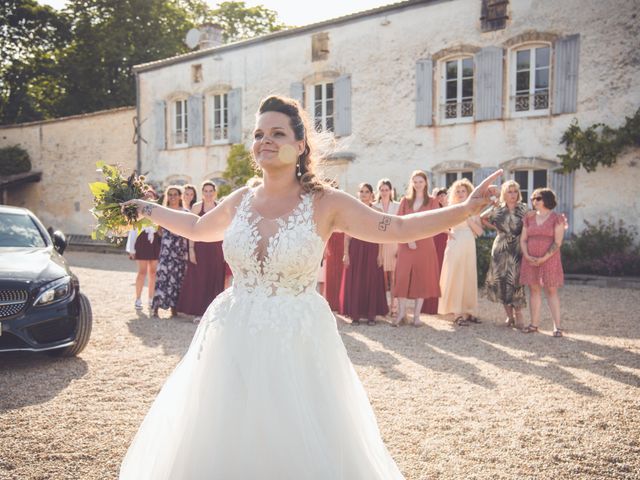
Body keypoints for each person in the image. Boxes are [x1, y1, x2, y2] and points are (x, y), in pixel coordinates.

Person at [119, 95, 500, 479]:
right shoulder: (240, 200)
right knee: (226, 430)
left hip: (296, 336)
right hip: (233, 331)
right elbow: (198, 229)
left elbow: (397, 229)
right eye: (259, 134)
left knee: (294, 435)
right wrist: (144, 207)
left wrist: (465, 209)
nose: (265, 141)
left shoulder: (326, 203)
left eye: (277, 133)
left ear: (300, 145)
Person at [392, 170, 441, 327]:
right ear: (412, 183)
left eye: (421, 181)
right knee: (402, 277)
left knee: (422, 277)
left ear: (426, 183)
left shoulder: (432, 201)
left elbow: (434, 223)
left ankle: (417, 317)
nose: (418, 184)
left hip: (425, 244)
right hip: (406, 244)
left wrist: (417, 238)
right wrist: (408, 239)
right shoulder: (405, 201)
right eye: (415, 181)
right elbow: (399, 222)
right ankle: (401, 313)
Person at [176, 181, 226, 322]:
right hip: (200, 247)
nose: (208, 194)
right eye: (206, 191)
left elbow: (225, 229)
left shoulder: (220, 207)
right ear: (202, 192)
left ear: (215, 192)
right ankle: (199, 312)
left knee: (215, 278)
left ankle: (213, 312)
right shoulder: (197, 207)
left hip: (217, 247)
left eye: (211, 191)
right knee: (200, 279)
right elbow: (191, 228)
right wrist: (191, 249)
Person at [339, 183, 388, 325]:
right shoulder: (351, 211)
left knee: (371, 280)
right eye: (361, 191)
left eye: (367, 192)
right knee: (356, 281)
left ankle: (371, 315)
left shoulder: (378, 211)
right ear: (358, 193)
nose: (364, 194)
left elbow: (381, 235)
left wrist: (380, 254)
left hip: (372, 248)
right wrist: (345, 253)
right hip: (356, 248)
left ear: (372, 194)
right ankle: (355, 315)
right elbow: (347, 235)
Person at [519, 188, 566, 337]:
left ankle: (557, 327)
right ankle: (534, 324)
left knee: (551, 291)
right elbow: (523, 239)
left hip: (550, 259)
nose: (534, 201)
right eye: (533, 199)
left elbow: (558, 242)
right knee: (534, 290)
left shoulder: (557, 218)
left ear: (547, 200)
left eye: (538, 198)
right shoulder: (529, 218)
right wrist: (526, 255)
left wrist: (544, 258)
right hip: (530, 259)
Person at [481, 180, 528, 327]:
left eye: (515, 191)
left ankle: (519, 314)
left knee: (515, 281)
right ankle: (509, 316)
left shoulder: (524, 208)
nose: (513, 195)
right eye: (509, 191)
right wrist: (496, 229)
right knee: (501, 281)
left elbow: (531, 223)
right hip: (500, 247)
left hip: (517, 247)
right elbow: (481, 217)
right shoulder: (498, 208)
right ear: (504, 194)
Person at [437, 179, 484, 326]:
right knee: (456, 275)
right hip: (455, 243)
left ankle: (469, 311)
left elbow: (480, 232)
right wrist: (448, 232)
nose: (461, 193)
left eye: (463, 191)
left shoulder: (475, 210)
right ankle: (457, 313)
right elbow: (440, 225)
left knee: (468, 275)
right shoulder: (451, 209)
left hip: (469, 243)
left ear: (468, 192)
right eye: (458, 191)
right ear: (454, 194)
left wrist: (468, 218)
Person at [150, 185, 188, 318]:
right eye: (170, 194)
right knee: (162, 276)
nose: (172, 197)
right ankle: (156, 307)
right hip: (167, 248)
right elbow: (159, 229)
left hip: (180, 249)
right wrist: (168, 237)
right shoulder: (163, 211)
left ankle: (174, 308)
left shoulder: (185, 212)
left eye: (175, 194)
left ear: (180, 196)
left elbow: (189, 229)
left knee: (177, 277)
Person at [125, 189, 161, 311]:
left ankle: (151, 299)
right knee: (142, 272)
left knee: (153, 273)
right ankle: (138, 298)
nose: (149, 198)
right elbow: (133, 231)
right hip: (142, 241)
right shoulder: (138, 212)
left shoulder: (159, 211)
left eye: (151, 196)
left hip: (154, 242)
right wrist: (131, 249)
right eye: (147, 196)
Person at [373, 178, 400, 315]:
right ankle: (383, 307)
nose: (384, 192)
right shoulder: (373, 206)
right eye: (382, 190)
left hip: (394, 243)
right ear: (379, 191)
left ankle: (394, 307)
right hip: (379, 244)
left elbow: (401, 226)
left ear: (391, 191)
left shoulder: (397, 206)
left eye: (386, 190)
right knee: (381, 279)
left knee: (394, 278)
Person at [422, 187, 449, 314]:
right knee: (433, 270)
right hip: (434, 240)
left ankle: (445, 304)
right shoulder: (431, 209)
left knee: (446, 270)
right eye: (439, 195)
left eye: (444, 195)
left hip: (447, 241)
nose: (441, 197)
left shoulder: (450, 209)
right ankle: (430, 305)